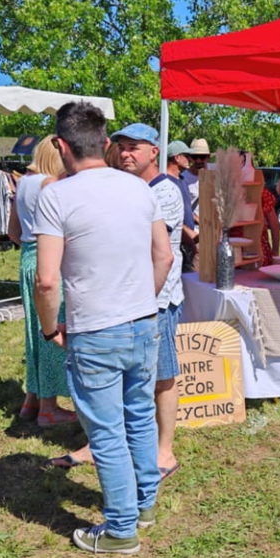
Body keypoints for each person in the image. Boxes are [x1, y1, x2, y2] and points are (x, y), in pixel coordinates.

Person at [34, 102, 173, 554]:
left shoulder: (56, 196)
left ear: (60, 145)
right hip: (143, 321)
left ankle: (120, 529)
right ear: (106, 143)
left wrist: (49, 328)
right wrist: (144, 299)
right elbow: (165, 256)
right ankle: (144, 505)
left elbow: (46, 279)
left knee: (107, 431)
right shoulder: (140, 189)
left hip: (95, 328)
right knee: (139, 416)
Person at [113, 124, 186, 481]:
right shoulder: (131, 188)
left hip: (159, 298)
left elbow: (155, 249)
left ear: (154, 152)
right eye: (121, 147)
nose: (125, 154)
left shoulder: (166, 190)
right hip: (131, 297)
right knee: (129, 375)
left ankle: (165, 451)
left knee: (163, 376)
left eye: (134, 147)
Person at [7, 136, 77, 427]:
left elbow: (12, 231)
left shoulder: (23, 182)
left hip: (27, 258)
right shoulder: (51, 185)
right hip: (48, 259)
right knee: (51, 331)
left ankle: (32, 399)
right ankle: (49, 408)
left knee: (34, 332)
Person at [166, 140, 199, 271]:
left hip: (188, 242)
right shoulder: (167, 183)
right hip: (177, 244)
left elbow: (186, 209)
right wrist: (192, 239)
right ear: (177, 157)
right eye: (187, 156)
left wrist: (199, 221)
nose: (190, 159)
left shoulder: (182, 179)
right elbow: (173, 218)